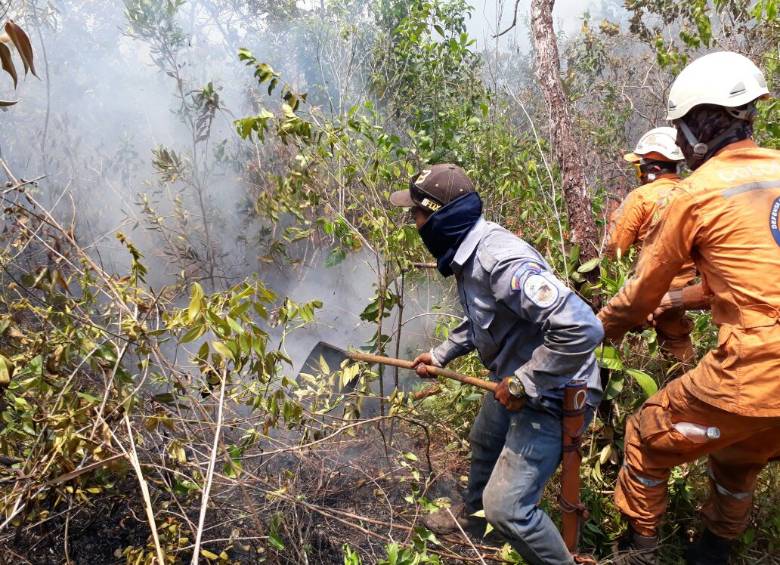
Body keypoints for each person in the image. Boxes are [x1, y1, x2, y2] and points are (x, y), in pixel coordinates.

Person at [598, 51, 780, 565]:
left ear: (702, 124)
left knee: (646, 437)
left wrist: (595, 331)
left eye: (681, 129)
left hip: (750, 373)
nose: (679, 143)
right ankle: (714, 553)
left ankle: (641, 551)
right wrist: (683, 297)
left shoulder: (696, 194)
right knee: (739, 460)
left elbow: (638, 297)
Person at [389, 163, 604, 565]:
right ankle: (476, 526)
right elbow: (483, 320)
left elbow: (582, 328)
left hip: (556, 390)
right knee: (485, 439)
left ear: (440, 218)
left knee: (508, 507)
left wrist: (524, 382)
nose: (415, 223)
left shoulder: (499, 260)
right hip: (516, 380)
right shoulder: (468, 254)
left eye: (418, 214)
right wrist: (440, 354)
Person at [606, 127, 696, 361]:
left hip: (645, 288)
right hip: (683, 290)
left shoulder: (641, 197)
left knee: (612, 340)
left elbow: (615, 246)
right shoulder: (692, 192)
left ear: (653, 168)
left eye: (639, 167)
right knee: (678, 346)